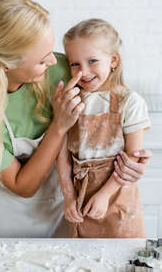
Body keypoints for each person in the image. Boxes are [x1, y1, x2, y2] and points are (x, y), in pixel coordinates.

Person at [0, 0, 152, 238]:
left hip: (70, 211)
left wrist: (132, 163)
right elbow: (22, 186)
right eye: (41, 58)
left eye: (51, 50)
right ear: (6, 64)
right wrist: (58, 126)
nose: (54, 60)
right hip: (15, 220)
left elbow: (113, 116)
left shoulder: (63, 69)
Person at [57, 18, 151, 238]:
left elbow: (133, 156)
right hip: (80, 200)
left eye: (92, 61)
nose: (84, 71)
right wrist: (69, 196)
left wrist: (104, 195)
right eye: (75, 64)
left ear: (113, 60)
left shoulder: (129, 101)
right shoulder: (70, 101)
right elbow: (61, 153)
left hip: (118, 197)